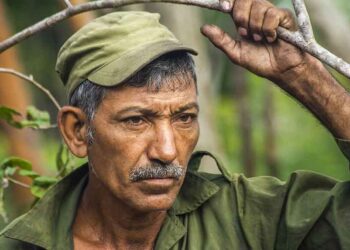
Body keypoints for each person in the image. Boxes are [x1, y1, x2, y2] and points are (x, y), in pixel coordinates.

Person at [1, 0, 350, 249]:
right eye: (137, 120)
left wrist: (303, 77)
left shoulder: (246, 219)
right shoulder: (22, 245)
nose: (167, 151)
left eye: (184, 118)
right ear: (78, 132)